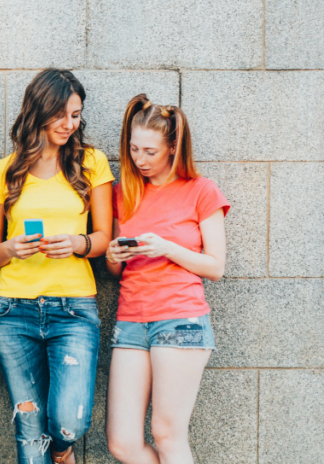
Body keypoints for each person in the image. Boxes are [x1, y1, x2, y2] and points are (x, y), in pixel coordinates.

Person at [0, 70, 113, 464]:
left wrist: (78, 243)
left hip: (74, 310)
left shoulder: (92, 163)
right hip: (12, 310)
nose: (69, 124)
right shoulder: (0, 172)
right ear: (37, 111)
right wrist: (11, 248)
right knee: (29, 427)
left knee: (68, 421)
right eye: (61, 114)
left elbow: (105, 236)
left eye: (76, 115)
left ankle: (63, 449)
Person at [104, 94, 229, 464]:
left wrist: (167, 248)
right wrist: (113, 256)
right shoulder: (123, 192)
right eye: (133, 149)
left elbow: (216, 267)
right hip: (130, 321)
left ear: (173, 147)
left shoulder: (201, 190)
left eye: (150, 152)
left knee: (167, 433)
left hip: (180, 320)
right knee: (122, 443)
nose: (139, 160)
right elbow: (115, 270)